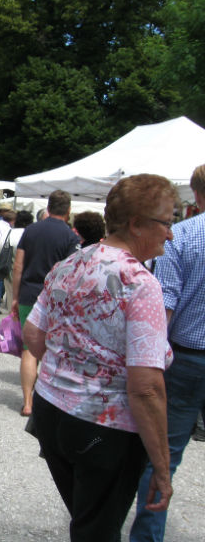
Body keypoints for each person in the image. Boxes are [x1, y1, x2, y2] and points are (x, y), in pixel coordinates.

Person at [23, 174, 176, 542]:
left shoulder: (70, 264)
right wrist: (162, 467)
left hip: (51, 412)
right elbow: (146, 388)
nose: (171, 234)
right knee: (97, 531)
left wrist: (68, 367)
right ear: (137, 224)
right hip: (102, 429)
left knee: (87, 518)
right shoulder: (140, 284)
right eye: (167, 223)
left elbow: (33, 335)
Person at [129, 165, 205, 542]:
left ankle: (147, 536)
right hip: (190, 353)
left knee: (164, 455)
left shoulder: (182, 236)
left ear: (197, 195)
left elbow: (166, 305)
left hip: (188, 356)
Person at [11, 190, 79, 417]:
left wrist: (15, 297)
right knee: (53, 349)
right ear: (68, 210)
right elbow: (72, 273)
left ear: (48, 207)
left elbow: (18, 266)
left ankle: (28, 402)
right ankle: (49, 401)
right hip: (55, 299)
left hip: (29, 294)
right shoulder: (70, 237)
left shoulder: (30, 230)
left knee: (29, 350)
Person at [0, 210, 33, 311]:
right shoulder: (32, 234)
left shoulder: (9, 233)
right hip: (29, 277)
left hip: (10, 275)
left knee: (12, 307)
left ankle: (13, 324)